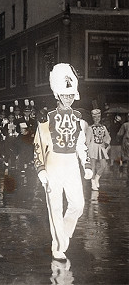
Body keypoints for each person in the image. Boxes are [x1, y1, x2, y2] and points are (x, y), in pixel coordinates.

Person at [33, 63, 93, 261]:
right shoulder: (46, 118)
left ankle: (63, 233)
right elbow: (39, 145)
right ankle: (58, 246)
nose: (68, 99)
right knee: (55, 206)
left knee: (78, 204)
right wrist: (41, 169)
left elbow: (81, 145)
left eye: (70, 95)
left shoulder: (78, 119)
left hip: (71, 165)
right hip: (53, 164)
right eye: (65, 95)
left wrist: (86, 164)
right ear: (57, 95)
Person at [86, 109, 111, 191]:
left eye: (98, 117)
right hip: (92, 148)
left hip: (101, 148)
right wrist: (88, 151)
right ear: (93, 118)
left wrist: (106, 143)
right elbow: (87, 140)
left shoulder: (103, 127)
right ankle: (93, 183)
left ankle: (97, 178)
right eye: (95, 117)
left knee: (103, 166)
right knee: (92, 167)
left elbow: (108, 137)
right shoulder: (90, 128)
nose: (97, 118)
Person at [117, 113, 129, 177]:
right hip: (126, 142)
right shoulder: (125, 125)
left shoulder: (125, 125)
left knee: (125, 157)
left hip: (126, 142)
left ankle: (125, 170)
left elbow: (119, 134)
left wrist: (118, 139)